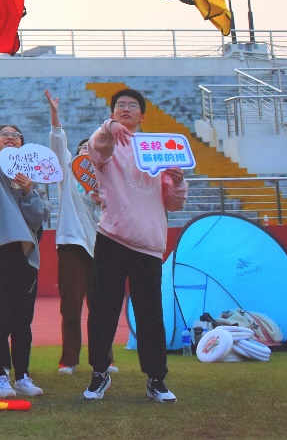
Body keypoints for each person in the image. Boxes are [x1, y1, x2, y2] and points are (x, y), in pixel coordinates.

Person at [84, 88, 188, 403]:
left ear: (143, 115)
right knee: (103, 309)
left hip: (148, 243)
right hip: (112, 238)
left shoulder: (159, 150)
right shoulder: (108, 146)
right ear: (113, 113)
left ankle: (156, 379)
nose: (125, 109)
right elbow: (95, 146)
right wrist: (108, 127)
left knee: (150, 314)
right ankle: (99, 373)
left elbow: (173, 203)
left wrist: (179, 182)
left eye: (132, 106)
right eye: (119, 106)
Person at [0, 109, 49, 399]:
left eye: (16, 136)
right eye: (6, 135)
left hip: (24, 255)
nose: (11, 138)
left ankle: (23, 375)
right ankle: (0, 375)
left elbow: (38, 219)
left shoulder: (31, 178)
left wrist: (29, 193)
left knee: (22, 320)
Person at [45, 90, 113, 376]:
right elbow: (59, 145)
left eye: (92, 150)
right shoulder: (67, 174)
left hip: (103, 248)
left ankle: (104, 360)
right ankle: (69, 360)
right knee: (71, 308)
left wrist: (103, 201)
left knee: (101, 308)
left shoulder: (110, 181)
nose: (87, 153)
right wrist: (55, 117)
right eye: (83, 148)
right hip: (72, 245)